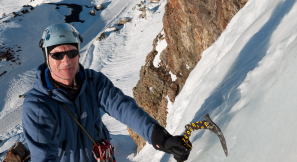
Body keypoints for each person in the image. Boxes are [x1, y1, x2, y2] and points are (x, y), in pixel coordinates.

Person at [22, 23, 191, 162]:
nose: (66, 60)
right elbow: (44, 157)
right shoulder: (38, 105)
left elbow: (125, 109)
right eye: (57, 55)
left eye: (72, 53)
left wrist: (160, 138)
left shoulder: (93, 82)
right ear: (47, 58)